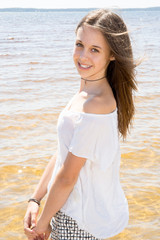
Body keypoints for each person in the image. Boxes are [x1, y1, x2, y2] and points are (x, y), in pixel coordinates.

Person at [23, 8, 137, 240]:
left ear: (112, 54)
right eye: (79, 45)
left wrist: (42, 224)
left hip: (77, 221)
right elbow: (63, 153)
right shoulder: (87, 91)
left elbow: (67, 178)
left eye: (95, 49)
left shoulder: (97, 105)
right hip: (68, 210)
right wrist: (36, 198)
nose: (83, 56)